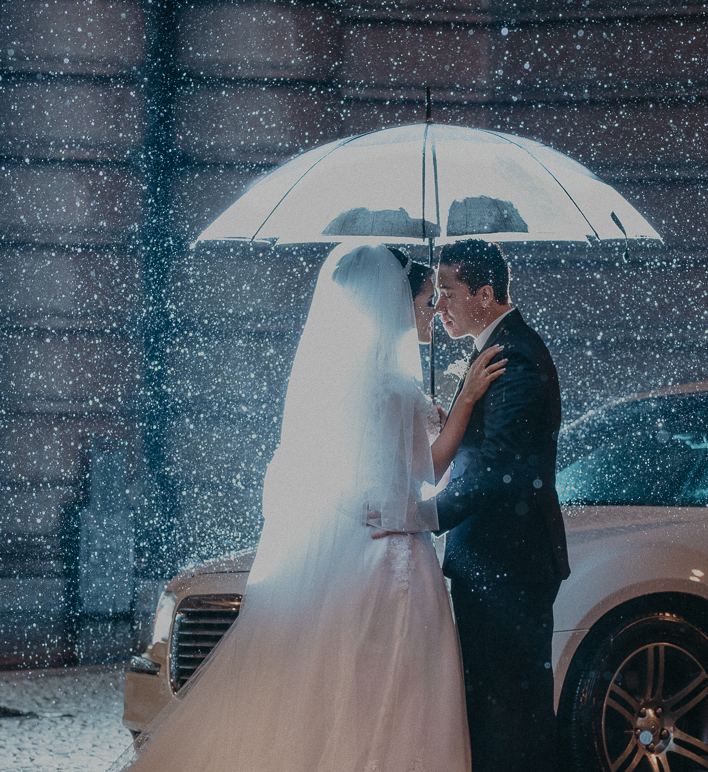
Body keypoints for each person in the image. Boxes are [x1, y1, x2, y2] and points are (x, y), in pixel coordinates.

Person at [113, 243, 504, 772]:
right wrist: (464, 404)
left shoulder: (349, 385)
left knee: (342, 694)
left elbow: (374, 468)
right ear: (393, 308)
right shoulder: (395, 387)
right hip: (391, 566)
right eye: (424, 303)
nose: (432, 312)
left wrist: (425, 420)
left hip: (350, 561)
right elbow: (428, 473)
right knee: (396, 694)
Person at [432, 239, 571, 772]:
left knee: (509, 712)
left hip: (508, 562)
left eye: (448, 292)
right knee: (503, 709)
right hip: (495, 559)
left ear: (485, 294)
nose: (438, 306)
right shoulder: (497, 349)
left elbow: (500, 471)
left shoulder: (515, 356)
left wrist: (423, 516)